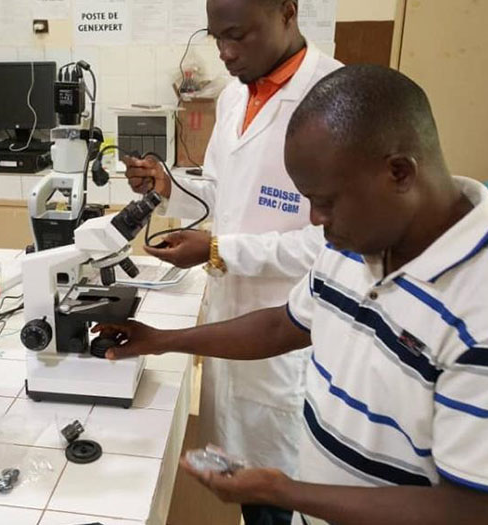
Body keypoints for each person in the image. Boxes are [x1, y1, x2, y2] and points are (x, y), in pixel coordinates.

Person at [99, 65, 488, 525]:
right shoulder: (357, 246)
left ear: (400, 173)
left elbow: (471, 512)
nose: (313, 220)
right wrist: (160, 339)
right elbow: (283, 325)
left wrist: (282, 491)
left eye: (325, 202)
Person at [126, 1, 339, 522]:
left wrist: (220, 249)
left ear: (287, 12)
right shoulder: (233, 97)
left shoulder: (335, 100)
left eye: (237, 35)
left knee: (286, 490)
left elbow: (332, 243)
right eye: (215, 36)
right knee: (243, 486)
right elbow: (223, 191)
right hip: (231, 324)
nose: (224, 52)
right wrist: (170, 185)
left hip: (292, 334)